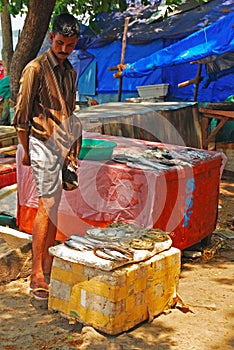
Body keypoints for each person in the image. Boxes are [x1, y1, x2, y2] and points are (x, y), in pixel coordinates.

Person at [13, 13, 82, 301]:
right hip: (39, 141)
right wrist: (27, 152)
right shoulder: (35, 69)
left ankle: (49, 264)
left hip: (62, 143)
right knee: (47, 204)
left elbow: (70, 111)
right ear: (51, 37)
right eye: (60, 43)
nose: (64, 49)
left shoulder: (71, 72)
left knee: (55, 206)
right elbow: (21, 118)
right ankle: (36, 274)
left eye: (70, 45)